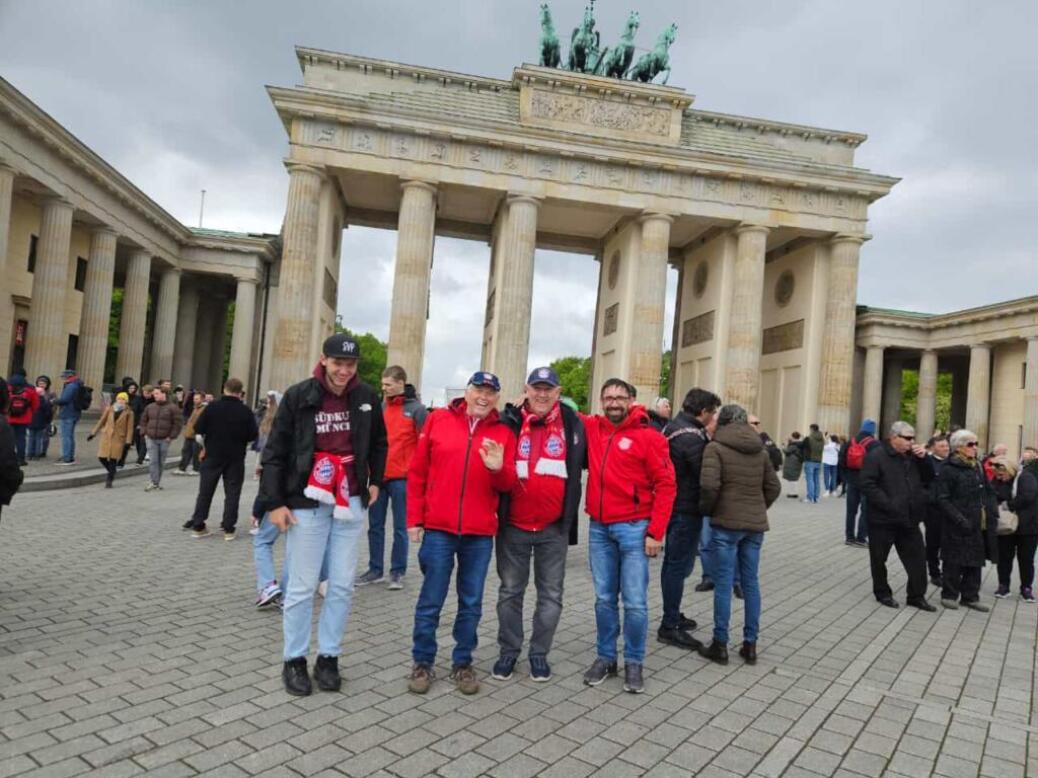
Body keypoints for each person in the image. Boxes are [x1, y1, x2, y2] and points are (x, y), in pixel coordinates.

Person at [261, 333, 387, 696]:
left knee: (342, 585)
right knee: (301, 586)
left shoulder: (365, 398)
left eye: (351, 364)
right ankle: (295, 659)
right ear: (324, 360)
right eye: (338, 363)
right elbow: (276, 451)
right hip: (306, 500)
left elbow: (380, 442)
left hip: (349, 500)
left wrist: (376, 480)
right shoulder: (300, 395)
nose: (344, 370)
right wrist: (274, 502)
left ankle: (329, 657)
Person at [406, 372, 516, 696]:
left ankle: (462, 662)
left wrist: (499, 468)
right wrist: (414, 519)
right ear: (467, 392)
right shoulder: (438, 420)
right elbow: (417, 472)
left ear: (497, 397)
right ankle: (423, 661)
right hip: (439, 528)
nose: (484, 397)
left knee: (471, 602)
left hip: (479, 532)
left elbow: (509, 485)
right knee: (431, 599)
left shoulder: (502, 433)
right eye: (478, 390)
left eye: (490, 392)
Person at [492, 367, 586, 683]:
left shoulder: (574, 424)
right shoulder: (511, 420)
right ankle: (509, 650)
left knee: (551, 596)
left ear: (558, 393)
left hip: (552, 528)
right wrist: (508, 410)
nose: (542, 394)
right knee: (509, 593)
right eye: (537, 388)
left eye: (549, 389)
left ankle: (538, 653)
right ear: (526, 390)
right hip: (513, 526)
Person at [581, 378, 675, 694]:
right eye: (608, 397)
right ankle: (606, 657)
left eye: (620, 397)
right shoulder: (594, 428)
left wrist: (656, 532)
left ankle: (634, 661)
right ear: (601, 401)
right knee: (604, 599)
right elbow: (556, 408)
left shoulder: (650, 438)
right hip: (599, 528)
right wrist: (524, 402)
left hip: (635, 528)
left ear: (632, 400)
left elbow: (666, 485)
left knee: (634, 603)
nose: (613, 403)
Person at [697, 404, 781, 665]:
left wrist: (710, 511)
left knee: (723, 584)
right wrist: (758, 507)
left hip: (726, 524)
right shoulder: (760, 449)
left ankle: (720, 644)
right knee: (750, 583)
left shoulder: (715, 447)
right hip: (754, 526)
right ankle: (750, 644)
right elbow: (774, 486)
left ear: (723, 420)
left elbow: (709, 486)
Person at [657, 387, 719, 652]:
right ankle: (669, 624)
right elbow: (703, 479)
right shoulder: (692, 438)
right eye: (712, 412)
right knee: (677, 567)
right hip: (685, 509)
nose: (713, 416)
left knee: (674, 565)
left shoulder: (672, 427)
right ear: (703, 411)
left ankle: (673, 614)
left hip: (673, 506)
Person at [356, 366, 427, 589]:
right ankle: (375, 570)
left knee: (400, 527)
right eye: (382, 384)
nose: (383, 388)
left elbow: (425, 446)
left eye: (387, 384)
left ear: (401, 383)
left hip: (403, 480)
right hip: (378, 478)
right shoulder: (381, 407)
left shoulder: (417, 410)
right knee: (374, 526)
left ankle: (397, 572)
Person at [860, 421, 936, 611]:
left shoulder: (914, 457)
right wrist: (888, 504)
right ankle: (882, 593)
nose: (912, 442)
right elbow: (867, 484)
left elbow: (929, 478)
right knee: (879, 559)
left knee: (918, 559)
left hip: (909, 518)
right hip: (883, 519)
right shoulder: (876, 455)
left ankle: (916, 596)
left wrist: (925, 459)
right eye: (907, 438)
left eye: (913, 438)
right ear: (894, 437)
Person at [185, 378, 259, 539]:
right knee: (232, 492)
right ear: (240, 392)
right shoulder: (245, 410)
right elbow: (253, 435)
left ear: (224, 389)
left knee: (205, 491)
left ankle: (198, 525)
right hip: (236, 456)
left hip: (212, 454)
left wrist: (206, 445)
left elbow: (198, 431)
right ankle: (228, 528)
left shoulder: (212, 407)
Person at [935, 429, 997, 611]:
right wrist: (960, 519)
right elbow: (942, 498)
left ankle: (970, 597)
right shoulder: (948, 468)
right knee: (954, 560)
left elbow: (987, 490)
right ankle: (949, 595)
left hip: (978, 521)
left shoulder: (977, 465)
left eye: (976, 444)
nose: (975, 447)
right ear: (959, 447)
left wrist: (993, 508)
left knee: (975, 561)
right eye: (970, 444)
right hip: (957, 523)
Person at [1002, 454, 1038, 602]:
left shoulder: (1028, 475)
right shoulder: (1013, 473)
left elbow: (1028, 496)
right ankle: (1004, 585)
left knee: (1026, 559)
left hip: (1029, 524)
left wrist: (1008, 505)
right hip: (1011, 523)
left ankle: (1025, 587)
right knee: (1006, 557)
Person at [841, 419, 878, 547]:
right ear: (873, 431)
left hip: (852, 480)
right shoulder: (874, 444)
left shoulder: (850, 441)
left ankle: (849, 537)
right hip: (867, 481)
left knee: (851, 510)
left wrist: (845, 477)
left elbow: (842, 460)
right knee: (866, 510)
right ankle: (861, 538)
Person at [138, 386, 182, 491]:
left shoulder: (173, 408)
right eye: (154, 393)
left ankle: (156, 482)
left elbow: (178, 424)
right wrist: (144, 433)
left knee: (160, 461)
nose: (154, 395)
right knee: (153, 460)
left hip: (165, 439)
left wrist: (171, 436)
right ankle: (154, 482)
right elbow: (143, 420)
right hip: (151, 438)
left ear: (164, 394)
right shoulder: (150, 407)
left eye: (157, 393)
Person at [87, 392, 135, 488]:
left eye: (123, 399)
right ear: (116, 399)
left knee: (113, 459)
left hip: (119, 438)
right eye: (119, 399)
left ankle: (109, 480)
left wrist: (128, 441)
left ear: (126, 401)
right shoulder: (110, 409)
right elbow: (102, 421)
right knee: (101, 457)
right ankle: (112, 471)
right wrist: (93, 433)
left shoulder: (129, 412)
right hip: (107, 436)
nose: (121, 401)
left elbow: (130, 428)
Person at [923, 435, 950, 586]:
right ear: (933, 447)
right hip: (932, 509)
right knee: (933, 542)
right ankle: (934, 572)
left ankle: (948, 573)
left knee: (947, 542)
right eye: (942, 446)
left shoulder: (952, 463)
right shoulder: (927, 462)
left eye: (946, 445)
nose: (945, 448)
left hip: (949, 509)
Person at [6, 372, 39, 466]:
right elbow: (36, 405)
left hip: (9, 417)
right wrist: (31, 412)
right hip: (24, 418)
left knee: (9, 438)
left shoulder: (8, 389)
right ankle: (21, 459)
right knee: (21, 438)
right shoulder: (30, 390)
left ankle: (9, 458)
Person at [52, 369, 84, 465]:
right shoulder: (78, 384)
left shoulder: (71, 386)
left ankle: (66, 458)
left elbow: (65, 400)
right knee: (70, 436)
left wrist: (54, 401)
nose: (63, 379)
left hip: (68, 413)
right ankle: (70, 456)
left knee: (66, 436)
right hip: (75, 413)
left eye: (64, 377)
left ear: (68, 377)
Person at [174, 392, 206, 475]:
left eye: (197, 399)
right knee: (185, 451)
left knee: (196, 452)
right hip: (189, 433)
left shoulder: (204, 409)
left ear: (202, 399)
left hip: (197, 434)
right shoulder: (195, 408)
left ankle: (196, 469)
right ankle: (182, 468)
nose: (194, 400)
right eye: (194, 399)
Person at [27, 376, 54, 460]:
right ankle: (36, 454)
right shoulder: (44, 401)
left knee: (31, 438)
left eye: (43, 383)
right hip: (41, 421)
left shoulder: (31, 399)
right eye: (40, 383)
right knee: (38, 438)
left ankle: (29, 454)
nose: (41, 384)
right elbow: (48, 411)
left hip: (32, 420)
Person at [803, 424, 824, 503]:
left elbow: (803, 447)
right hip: (818, 461)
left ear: (811, 429)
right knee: (816, 479)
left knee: (810, 479)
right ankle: (816, 497)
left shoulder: (809, 438)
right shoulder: (822, 439)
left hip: (810, 460)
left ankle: (810, 497)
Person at [781, 432, 804, 499]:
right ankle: (793, 492)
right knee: (794, 478)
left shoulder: (794, 444)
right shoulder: (801, 443)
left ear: (793, 437)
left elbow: (787, 451)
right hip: (798, 462)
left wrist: (783, 446)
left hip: (792, 462)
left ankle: (793, 493)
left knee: (792, 478)